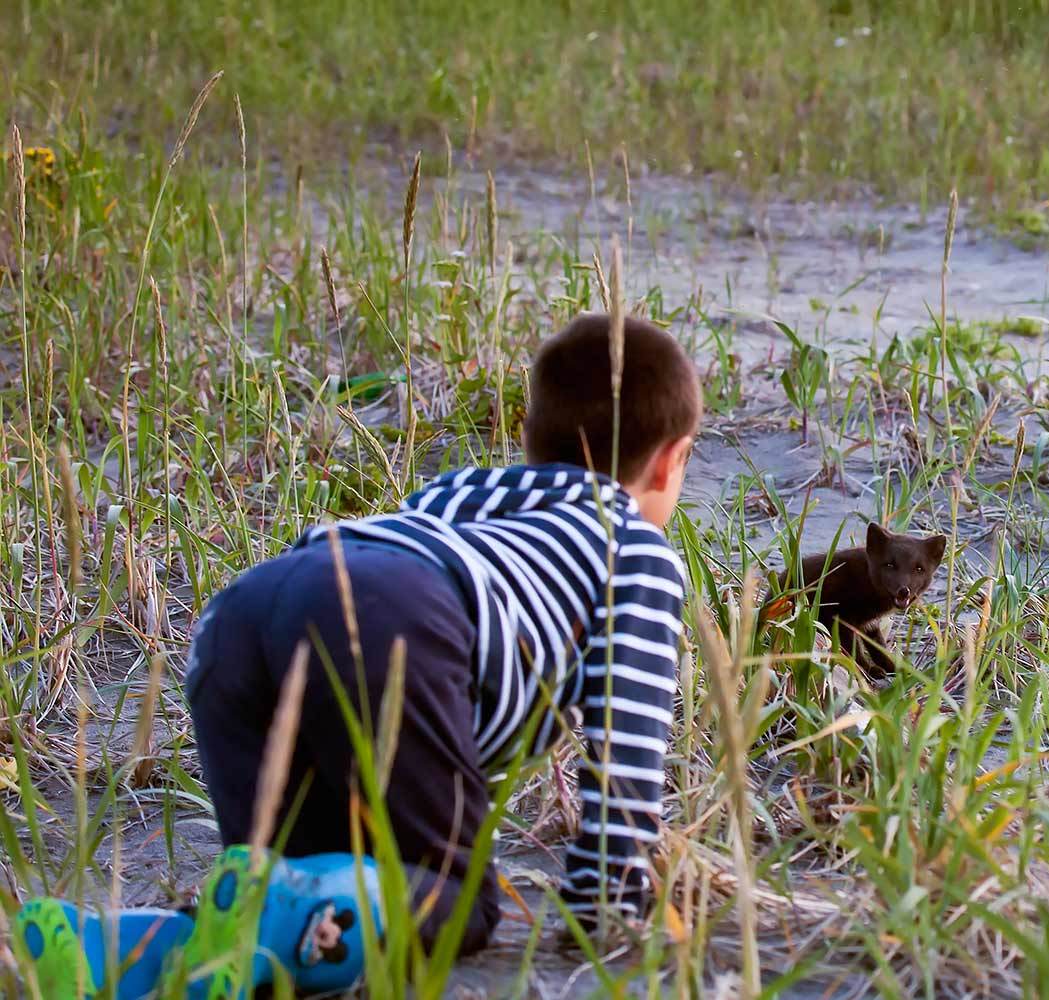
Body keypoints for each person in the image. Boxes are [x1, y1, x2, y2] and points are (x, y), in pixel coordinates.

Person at [183, 311, 701, 961]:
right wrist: (609, 901)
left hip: (244, 611)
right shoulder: (635, 548)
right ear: (671, 461)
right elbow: (626, 742)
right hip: (391, 617)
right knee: (456, 907)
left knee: (297, 893)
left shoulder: (456, 494)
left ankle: (137, 945)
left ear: (528, 437)